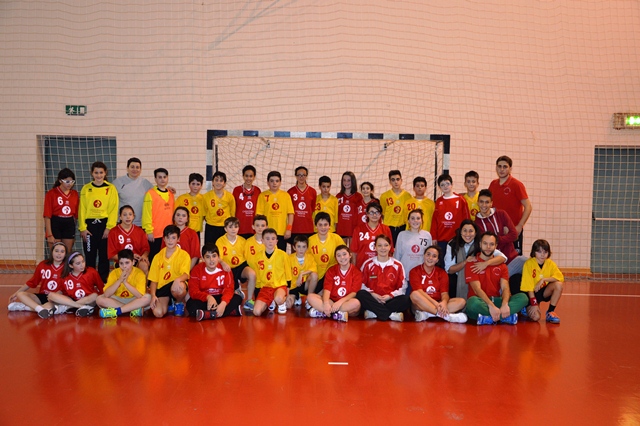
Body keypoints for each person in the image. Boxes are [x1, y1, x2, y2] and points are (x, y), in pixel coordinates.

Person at [465, 232, 528, 325]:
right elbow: (477, 289)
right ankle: (504, 317)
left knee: (523, 297)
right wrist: (491, 306)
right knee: (472, 303)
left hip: (496, 300)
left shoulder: (502, 266)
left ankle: (489, 318)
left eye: (491, 244)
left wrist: (504, 304)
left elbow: (505, 288)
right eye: (485, 243)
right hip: (480, 301)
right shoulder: (471, 263)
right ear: (480, 244)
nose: (488, 247)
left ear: (496, 246)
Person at [474, 189, 528, 294]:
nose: (484, 205)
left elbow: (514, 234)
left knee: (528, 263)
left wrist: (497, 240)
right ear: (478, 203)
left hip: (511, 259)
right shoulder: (477, 223)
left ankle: (533, 300)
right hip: (494, 263)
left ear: (491, 203)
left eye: (487, 202)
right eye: (481, 202)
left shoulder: (501, 214)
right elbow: (485, 246)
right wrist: (503, 237)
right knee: (499, 287)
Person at [444, 219, 507, 300]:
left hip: (477, 275)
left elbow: (503, 258)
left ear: (475, 232)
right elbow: (449, 269)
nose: (467, 234)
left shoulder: (481, 243)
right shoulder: (452, 244)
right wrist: (465, 262)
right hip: (457, 278)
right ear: (460, 232)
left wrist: (485, 264)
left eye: (471, 231)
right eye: (465, 231)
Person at [78, 161, 119, 282]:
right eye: (96, 172)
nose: (99, 175)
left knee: (104, 255)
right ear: (92, 173)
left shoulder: (110, 188)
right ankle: (89, 279)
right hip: (89, 226)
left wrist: (109, 227)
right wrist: (83, 228)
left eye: (101, 172)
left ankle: (102, 280)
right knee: (90, 255)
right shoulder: (86, 188)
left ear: (105, 173)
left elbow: (113, 209)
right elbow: (82, 209)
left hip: (104, 225)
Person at [357, 235, 409, 322]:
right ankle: (390, 314)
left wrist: (390, 296)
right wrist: (373, 294)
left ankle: (374, 313)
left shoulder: (398, 265)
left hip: (390, 300)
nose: (383, 248)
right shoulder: (368, 264)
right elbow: (361, 284)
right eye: (379, 245)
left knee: (406, 299)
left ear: (390, 247)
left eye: (386, 245)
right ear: (375, 247)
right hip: (373, 299)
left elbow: (403, 287)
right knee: (361, 294)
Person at [409, 245, 467, 323]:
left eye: (434, 256)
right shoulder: (414, 271)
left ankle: (428, 314)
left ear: (437, 260)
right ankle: (445, 316)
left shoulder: (442, 273)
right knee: (414, 294)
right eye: (428, 254)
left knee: (461, 302)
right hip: (421, 303)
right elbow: (419, 292)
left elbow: (444, 293)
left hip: (438, 302)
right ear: (424, 256)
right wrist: (436, 304)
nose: (430, 258)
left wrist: (444, 303)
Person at [8, 242, 68, 318]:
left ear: (65, 254)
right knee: (20, 294)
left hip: (56, 298)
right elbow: (32, 282)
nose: (59, 254)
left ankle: (25, 307)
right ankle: (38, 308)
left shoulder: (67, 268)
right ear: (52, 252)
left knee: (47, 308)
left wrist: (57, 295)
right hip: (42, 295)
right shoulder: (43, 264)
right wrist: (15, 293)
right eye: (56, 251)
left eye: (62, 251)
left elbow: (68, 287)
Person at [488, 155, 533, 255]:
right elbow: (488, 206)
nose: (502, 169)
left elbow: (528, 207)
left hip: (512, 231)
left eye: (505, 167)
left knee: (514, 259)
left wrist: (519, 226)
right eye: (499, 166)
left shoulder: (517, 184)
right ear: (496, 167)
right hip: (497, 231)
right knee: (496, 258)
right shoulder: (493, 184)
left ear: (510, 169)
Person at [187, 244, 243, 320]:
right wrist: (208, 297)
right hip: (205, 298)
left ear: (218, 257)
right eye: (208, 257)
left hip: (220, 296)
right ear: (203, 259)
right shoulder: (196, 270)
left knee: (237, 298)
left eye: (214, 256)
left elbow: (229, 289)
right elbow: (193, 291)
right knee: (190, 305)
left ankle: (208, 314)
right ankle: (229, 311)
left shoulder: (225, 269)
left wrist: (223, 303)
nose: (211, 260)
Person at [307, 245, 361, 322]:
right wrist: (326, 303)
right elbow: (327, 289)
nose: (342, 257)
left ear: (350, 255)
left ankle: (324, 313)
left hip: (345, 302)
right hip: (331, 301)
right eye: (339, 255)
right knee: (310, 297)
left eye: (344, 254)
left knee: (356, 303)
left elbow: (354, 293)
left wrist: (340, 302)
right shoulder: (331, 270)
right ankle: (337, 314)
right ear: (336, 258)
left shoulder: (356, 272)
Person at [148, 225, 191, 317]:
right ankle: (169, 303)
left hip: (176, 286)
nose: (170, 241)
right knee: (158, 313)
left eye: (173, 238)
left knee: (179, 288)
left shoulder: (184, 255)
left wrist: (177, 280)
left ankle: (178, 302)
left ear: (178, 239)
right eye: (168, 237)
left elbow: (186, 275)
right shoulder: (157, 257)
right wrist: (153, 296)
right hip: (163, 288)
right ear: (164, 239)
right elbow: (153, 280)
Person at [520, 239, 564, 324]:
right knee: (536, 317)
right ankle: (525, 307)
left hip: (543, 292)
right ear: (534, 252)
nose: (542, 255)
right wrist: (534, 303)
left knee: (558, 285)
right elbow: (528, 286)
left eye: (545, 252)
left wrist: (544, 279)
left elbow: (560, 277)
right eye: (539, 252)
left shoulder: (550, 263)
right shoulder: (528, 264)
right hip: (531, 293)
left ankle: (550, 312)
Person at [97, 249, 150, 318]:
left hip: (134, 299)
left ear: (133, 262)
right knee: (99, 299)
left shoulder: (139, 274)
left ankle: (117, 311)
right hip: (118, 299)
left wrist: (125, 282)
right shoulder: (114, 273)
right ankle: (132, 310)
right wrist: (119, 280)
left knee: (148, 298)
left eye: (127, 263)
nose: (124, 266)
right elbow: (107, 294)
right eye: (121, 263)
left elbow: (139, 295)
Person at [47, 252, 104, 317]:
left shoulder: (91, 271)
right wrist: (54, 297)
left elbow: (101, 287)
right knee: (51, 295)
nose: (82, 265)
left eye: (83, 261)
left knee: (95, 295)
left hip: (87, 300)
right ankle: (81, 307)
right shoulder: (65, 276)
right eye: (78, 263)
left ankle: (67, 308)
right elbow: (62, 291)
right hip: (71, 300)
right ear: (71, 265)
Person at [252, 228, 292, 316]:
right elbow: (257, 277)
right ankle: (271, 301)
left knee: (278, 298)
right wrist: (257, 295)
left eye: (273, 239)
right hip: (265, 288)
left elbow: (288, 275)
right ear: (262, 241)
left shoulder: (283, 255)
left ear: (276, 241)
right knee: (256, 312)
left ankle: (280, 302)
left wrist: (288, 294)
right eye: (267, 238)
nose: (270, 241)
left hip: (280, 286)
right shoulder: (257, 257)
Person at [431, 174, 469, 261]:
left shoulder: (461, 199)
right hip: (442, 238)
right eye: (442, 185)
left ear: (452, 184)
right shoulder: (439, 201)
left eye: (447, 184)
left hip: (457, 238)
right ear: (439, 187)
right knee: (442, 262)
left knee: (457, 262)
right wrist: (434, 237)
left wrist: (466, 234)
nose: (445, 186)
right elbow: (435, 220)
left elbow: (467, 219)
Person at [142, 168, 175, 263]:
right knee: (154, 259)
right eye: (160, 177)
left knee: (167, 259)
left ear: (167, 178)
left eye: (164, 177)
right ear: (155, 179)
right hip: (155, 234)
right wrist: (149, 231)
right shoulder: (150, 194)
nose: (162, 179)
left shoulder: (171, 194)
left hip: (168, 234)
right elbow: (146, 214)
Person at [216, 217, 256, 295]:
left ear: (238, 228)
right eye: (230, 227)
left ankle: (249, 299)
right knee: (230, 291)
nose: (233, 229)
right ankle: (236, 287)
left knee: (252, 274)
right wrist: (223, 263)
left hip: (240, 266)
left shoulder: (243, 241)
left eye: (236, 226)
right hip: (227, 267)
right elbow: (218, 257)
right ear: (225, 229)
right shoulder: (220, 241)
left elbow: (248, 257)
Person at [255, 171, 294, 252]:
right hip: (267, 232)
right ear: (268, 182)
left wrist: (289, 229)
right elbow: (259, 215)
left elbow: (290, 213)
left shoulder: (286, 195)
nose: (274, 183)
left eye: (277, 181)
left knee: (280, 255)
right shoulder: (262, 195)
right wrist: (261, 229)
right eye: (272, 181)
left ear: (280, 182)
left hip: (281, 232)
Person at [308, 212, 346, 295]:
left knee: (324, 293)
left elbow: (345, 255)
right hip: (315, 275)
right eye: (320, 225)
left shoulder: (336, 238)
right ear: (316, 226)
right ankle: (310, 296)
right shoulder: (310, 240)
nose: (323, 227)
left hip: (331, 275)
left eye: (325, 224)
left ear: (329, 226)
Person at [394, 209, 432, 288]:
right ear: (408, 221)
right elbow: (397, 256)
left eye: (418, 218)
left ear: (421, 220)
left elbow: (430, 256)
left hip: (421, 276)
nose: (415, 221)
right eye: (412, 218)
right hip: (405, 275)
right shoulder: (402, 235)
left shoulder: (427, 235)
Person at [43, 168, 78, 253]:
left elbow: (75, 215)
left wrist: (73, 230)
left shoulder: (75, 194)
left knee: (67, 252)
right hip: (55, 223)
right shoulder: (51, 193)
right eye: (67, 181)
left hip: (69, 223)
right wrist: (49, 234)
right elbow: (47, 215)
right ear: (60, 181)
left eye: (72, 181)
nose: (70, 184)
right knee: (56, 252)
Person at [108, 205, 150, 274]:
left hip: (137, 261)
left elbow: (146, 249)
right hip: (122, 262)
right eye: (125, 215)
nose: (128, 217)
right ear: (120, 217)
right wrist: (129, 257)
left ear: (133, 216)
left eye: (130, 214)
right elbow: (112, 255)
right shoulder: (113, 232)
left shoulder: (139, 231)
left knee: (144, 265)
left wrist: (144, 256)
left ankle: (143, 281)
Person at [112, 158, 154, 227]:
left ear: (140, 169)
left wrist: (167, 189)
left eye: (137, 167)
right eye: (132, 167)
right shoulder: (117, 182)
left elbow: (157, 192)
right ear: (127, 168)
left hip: (140, 224)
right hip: (123, 224)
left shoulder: (146, 183)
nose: (135, 169)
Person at [350, 202, 393, 269]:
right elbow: (354, 252)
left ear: (380, 214)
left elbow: (390, 250)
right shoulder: (358, 229)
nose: (374, 215)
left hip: (380, 267)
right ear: (367, 214)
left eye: (377, 212)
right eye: (371, 212)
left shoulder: (386, 229)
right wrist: (354, 269)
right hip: (362, 267)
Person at [380, 170, 413, 245]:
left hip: (403, 227)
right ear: (390, 182)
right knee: (389, 248)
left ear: (401, 180)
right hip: (389, 228)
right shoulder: (384, 196)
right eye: (393, 180)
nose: (396, 182)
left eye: (398, 179)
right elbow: (383, 214)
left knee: (402, 248)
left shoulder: (408, 196)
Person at [203, 171, 236, 245]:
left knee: (225, 248)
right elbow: (204, 214)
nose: (218, 182)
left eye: (221, 181)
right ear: (212, 182)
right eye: (216, 180)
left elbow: (232, 214)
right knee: (210, 248)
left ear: (224, 183)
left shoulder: (230, 196)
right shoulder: (206, 196)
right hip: (211, 227)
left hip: (225, 227)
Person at [242, 214, 268, 310]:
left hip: (266, 278)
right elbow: (245, 259)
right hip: (255, 276)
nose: (260, 228)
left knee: (264, 304)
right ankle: (248, 300)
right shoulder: (248, 242)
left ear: (266, 227)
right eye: (257, 225)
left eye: (262, 225)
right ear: (253, 227)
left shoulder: (269, 242)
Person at [286, 235, 319, 307]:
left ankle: (309, 300)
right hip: (293, 286)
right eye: (299, 246)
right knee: (288, 305)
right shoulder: (289, 258)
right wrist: (287, 294)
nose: (301, 249)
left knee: (314, 275)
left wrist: (301, 274)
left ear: (307, 248)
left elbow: (314, 269)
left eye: (304, 247)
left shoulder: (310, 257)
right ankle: (296, 297)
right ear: (294, 247)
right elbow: (287, 276)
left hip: (305, 285)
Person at [288, 166, 317, 246]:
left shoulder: (312, 191)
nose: (301, 177)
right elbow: (289, 212)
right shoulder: (290, 192)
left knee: (307, 250)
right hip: (295, 227)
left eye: (303, 175)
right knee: (294, 250)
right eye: (299, 175)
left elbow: (313, 210)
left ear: (306, 176)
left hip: (308, 228)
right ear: (296, 176)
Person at [232, 165, 261, 238]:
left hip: (253, 227)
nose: (248, 178)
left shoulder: (257, 190)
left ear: (254, 177)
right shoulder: (236, 190)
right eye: (246, 176)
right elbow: (233, 208)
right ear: (243, 176)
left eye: (251, 176)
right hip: (240, 227)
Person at [336, 171, 363, 246]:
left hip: (353, 227)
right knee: (342, 250)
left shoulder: (358, 196)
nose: (346, 182)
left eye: (348, 180)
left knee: (352, 251)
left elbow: (360, 214)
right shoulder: (338, 196)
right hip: (341, 228)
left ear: (353, 181)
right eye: (344, 180)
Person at [175, 173, 205, 240]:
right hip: (183, 231)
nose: (195, 186)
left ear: (201, 186)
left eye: (198, 184)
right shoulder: (181, 198)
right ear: (189, 184)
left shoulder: (203, 199)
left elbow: (205, 215)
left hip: (196, 231)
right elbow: (175, 215)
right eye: (193, 184)